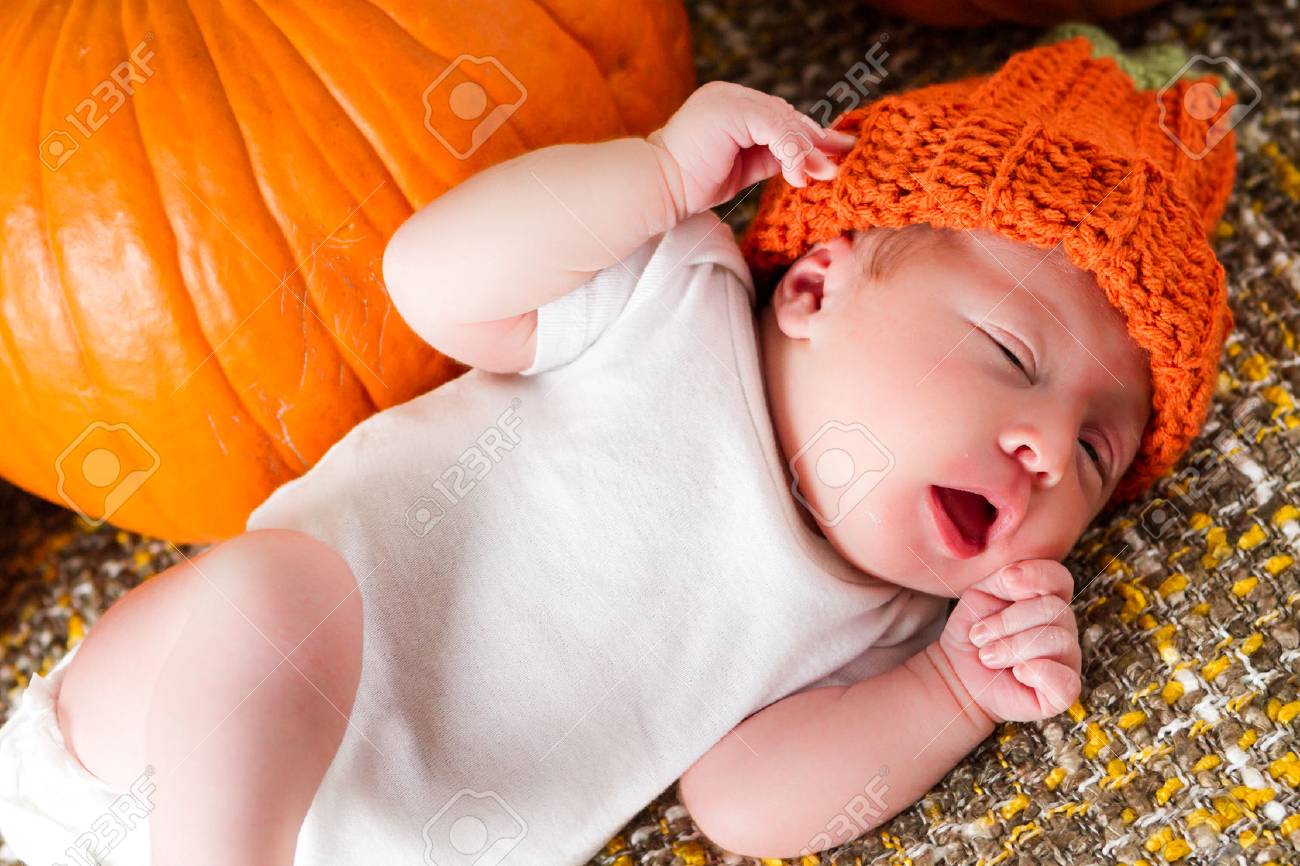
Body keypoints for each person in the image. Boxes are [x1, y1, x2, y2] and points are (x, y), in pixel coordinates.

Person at [0, 31, 1235, 865]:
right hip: (151, 751)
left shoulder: (892, 625)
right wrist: (653, 176)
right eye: (1011, 358)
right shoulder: (669, 302)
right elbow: (432, 278)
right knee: (279, 589)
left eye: (1092, 454)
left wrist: (956, 692)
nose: (1037, 449)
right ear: (813, 283)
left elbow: (742, 806)